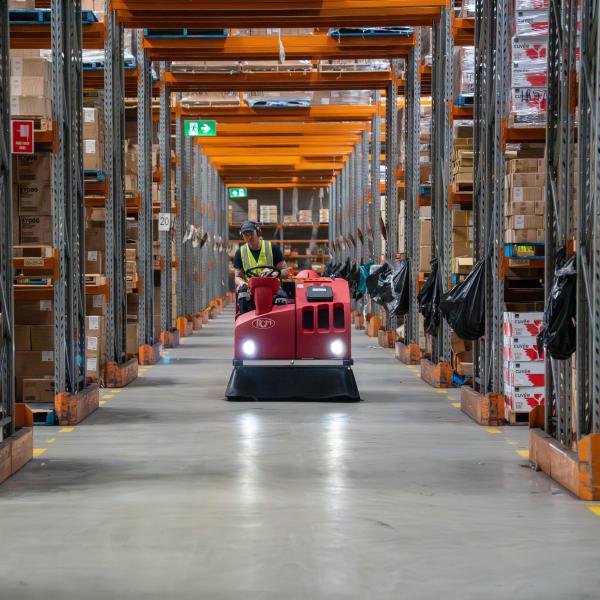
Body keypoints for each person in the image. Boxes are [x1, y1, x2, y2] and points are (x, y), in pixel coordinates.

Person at [233, 221, 290, 314]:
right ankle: (246, 321)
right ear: (242, 235)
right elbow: (237, 276)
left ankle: (278, 323)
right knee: (242, 292)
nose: (249, 237)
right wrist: (242, 283)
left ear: (258, 232)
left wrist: (274, 273)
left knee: (281, 296)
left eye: (251, 233)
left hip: (272, 287)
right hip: (251, 290)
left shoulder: (272, 248)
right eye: (245, 234)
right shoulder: (240, 252)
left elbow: (285, 271)